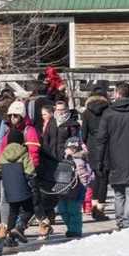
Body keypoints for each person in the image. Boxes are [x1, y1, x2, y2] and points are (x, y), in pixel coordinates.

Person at [91, 83, 129, 231]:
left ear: (117, 94)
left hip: (114, 156)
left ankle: (121, 220)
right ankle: (128, 221)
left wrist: (98, 159)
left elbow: (101, 138)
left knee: (119, 191)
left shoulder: (109, 113)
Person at [37, 101, 79, 238]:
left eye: (63, 110)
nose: (60, 112)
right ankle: (47, 222)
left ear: (67, 109)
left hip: (65, 163)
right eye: (58, 109)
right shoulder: (52, 122)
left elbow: (75, 141)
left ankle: (74, 228)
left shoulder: (72, 124)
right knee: (51, 195)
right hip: (50, 162)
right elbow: (46, 140)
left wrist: (70, 150)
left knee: (67, 195)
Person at [0, 128, 36, 244]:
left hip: (9, 190)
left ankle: (9, 237)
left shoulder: (3, 155)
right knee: (29, 209)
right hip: (22, 188)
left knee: (13, 211)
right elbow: (30, 171)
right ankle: (19, 227)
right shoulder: (24, 153)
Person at [80, 84, 112, 220]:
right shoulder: (109, 111)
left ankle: (93, 204)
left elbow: (84, 133)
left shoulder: (86, 112)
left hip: (92, 145)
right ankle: (100, 209)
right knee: (104, 177)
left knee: (95, 175)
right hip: (106, 145)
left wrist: (87, 145)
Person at [58, 136, 91, 238]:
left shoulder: (80, 159)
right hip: (64, 188)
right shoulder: (63, 159)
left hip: (77, 189)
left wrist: (84, 184)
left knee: (74, 210)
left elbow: (86, 174)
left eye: (73, 148)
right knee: (62, 209)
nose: (70, 150)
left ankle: (75, 230)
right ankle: (70, 227)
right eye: (69, 148)